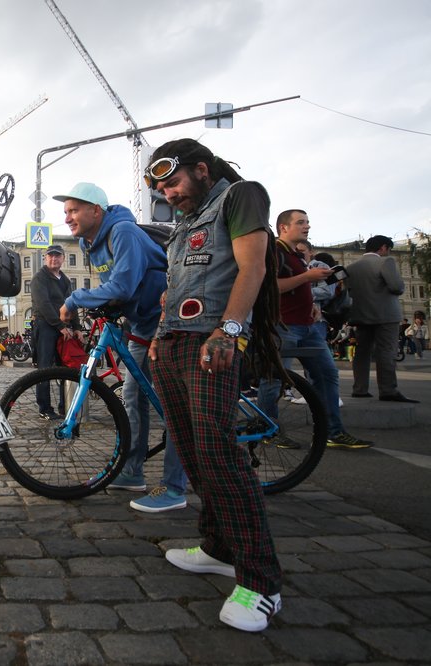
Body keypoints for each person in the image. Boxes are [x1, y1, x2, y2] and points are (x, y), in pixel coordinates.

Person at [145, 138, 285, 632]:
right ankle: (218, 547)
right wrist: (161, 336)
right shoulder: (183, 222)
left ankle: (262, 583)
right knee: (192, 449)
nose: (168, 192)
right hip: (176, 344)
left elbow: (254, 267)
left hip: (213, 342)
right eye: (160, 187)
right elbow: (173, 286)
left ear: (201, 168)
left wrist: (229, 332)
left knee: (219, 454)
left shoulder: (241, 196)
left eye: (174, 180)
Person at [53, 181, 187, 513]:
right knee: (133, 395)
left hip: (169, 319)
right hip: (143, 322)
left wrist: (76, 298)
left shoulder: (121, 231)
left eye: (74, 210)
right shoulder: (90, 242)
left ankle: (174, 487)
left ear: (95, 210)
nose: (68, 217)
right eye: (66, 211)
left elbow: (124, 285)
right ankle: (131, 471)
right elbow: (116, 286)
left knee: (171, 405)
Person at [257, 210, 370, 449]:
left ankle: (333, 431)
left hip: (308, 327)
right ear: (283, 227)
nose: (307, 226)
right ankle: (267, 429)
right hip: (282, 326)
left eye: (307, 222)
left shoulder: (296, 255)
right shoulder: (274, 251)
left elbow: (297, 288)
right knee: (274, 379)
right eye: (300, 222)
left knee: (327, 375)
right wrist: (308, 277)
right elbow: (269, 286)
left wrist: (312, 306)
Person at [347, 235, 417, 402]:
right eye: (388, 249)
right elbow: (397, 287)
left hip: (361, 315)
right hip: (386, 315)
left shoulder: (352, 267)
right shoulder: (386, 262)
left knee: (362, 352)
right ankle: (388, 390)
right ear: (384, 247)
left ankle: (359, 388)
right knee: (386, 350)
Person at [30, 244, 79, 420]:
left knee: (65, 368)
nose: (54, 259)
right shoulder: (39, 278)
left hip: (62, 328)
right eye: (50, 256)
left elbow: (71, 304)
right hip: (45, 326)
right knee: (45, 368)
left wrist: (77, 327)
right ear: (45, 258)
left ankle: (64, 407)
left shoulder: (65, 280)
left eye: (57, 256)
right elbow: (44, 305)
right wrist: (60, 326)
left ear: (63, 258)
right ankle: (45, 408)